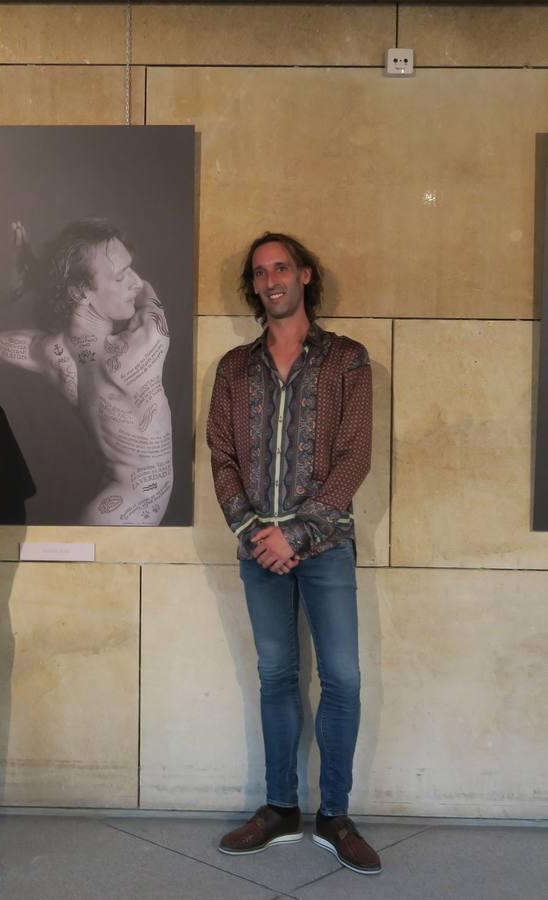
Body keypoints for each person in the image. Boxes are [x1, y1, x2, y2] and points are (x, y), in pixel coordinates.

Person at [207, 232, 378, 875]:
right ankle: (280, 807)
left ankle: (335, 813)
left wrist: (297, 535)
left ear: (305, 275)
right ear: (254, 287)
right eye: (260, 272)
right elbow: (221, 456)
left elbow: (353, 456)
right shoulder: (232, 368)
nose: (272, 279)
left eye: (282, 267)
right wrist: (258, 533)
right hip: (258, 552)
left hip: (326, 547)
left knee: (343, 678)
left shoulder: (348, 360)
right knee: (275, 676)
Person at [0, 218, 172, 524]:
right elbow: (148, 296)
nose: (136, 282)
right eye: (120, 276)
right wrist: (41, 279)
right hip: (129, 510)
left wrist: (19, 288)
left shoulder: (48, 353)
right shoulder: (147, 342)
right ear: (79, 293)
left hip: (111, 504)